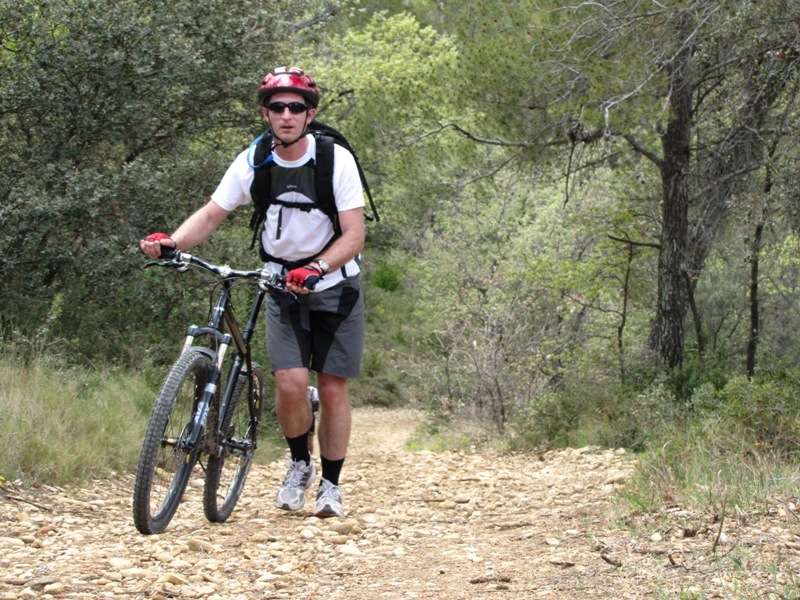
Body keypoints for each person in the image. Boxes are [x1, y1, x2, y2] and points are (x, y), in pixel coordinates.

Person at [140, 66, 366, 518]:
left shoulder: (334, 160)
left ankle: (331, 485)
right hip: (280, 286)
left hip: (335, 286)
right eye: (277, 107)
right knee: (290, 383)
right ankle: (299, 464)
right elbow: (212, 213)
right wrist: (173, 243)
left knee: (332, 388)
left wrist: (317, 267)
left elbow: (355, 234)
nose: (286, 115)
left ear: (310, 114)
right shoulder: (255, 159)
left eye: (296, 107)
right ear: (266, 113)